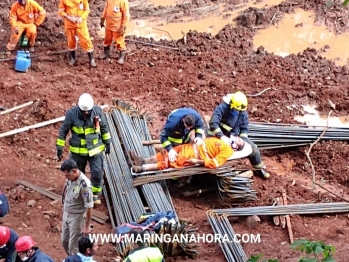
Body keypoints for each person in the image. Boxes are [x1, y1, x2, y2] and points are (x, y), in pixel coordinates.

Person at [56, 93, 111, 204]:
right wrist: (59, 147)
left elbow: (104, 127)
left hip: (95, 150)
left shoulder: (97, 111)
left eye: (88, 111)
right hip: (78, 152)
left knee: (97, 172)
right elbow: (63, 131)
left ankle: (94, 194)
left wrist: (108, 142)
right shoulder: (71, 114)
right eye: (83, 111)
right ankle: (78, 192)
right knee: (77, 174)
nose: (86, 113)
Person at [209, 91, 270, 179]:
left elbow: (244, 129)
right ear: (231, 105)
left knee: (253, 149)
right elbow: (213, 123)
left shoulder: (243, 113)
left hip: (234, 136)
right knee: (215, 151)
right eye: (236, 109)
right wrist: (222, 137)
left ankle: (258, 168)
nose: (237, 111)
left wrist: (241, 141)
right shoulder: (222, 108)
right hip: (218, 135)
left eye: (239, 110)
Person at [130, 136, 250, 173]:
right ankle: (143, 160)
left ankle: (142, 168)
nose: (236, 137)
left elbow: (215, 163)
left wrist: (197, 162)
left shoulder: (227, 151)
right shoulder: (222, 140)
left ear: (236, 147)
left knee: (168, 162)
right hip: (190, 146)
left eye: (239, 140)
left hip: (194, 154)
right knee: (166, 153)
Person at [60, 159, 94, 256]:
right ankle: (72, 258)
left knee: (73, 246)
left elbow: (89, 206)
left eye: (68, 175)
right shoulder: (70, 178)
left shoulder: (84, 185)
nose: (66, 177)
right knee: (64, 241)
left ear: (74, 171)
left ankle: (75, 259)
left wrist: (86, 226)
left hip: (76, 218)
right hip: (67, 213)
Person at [58, 0, 97, 67]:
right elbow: (61, 11)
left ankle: (91, 59)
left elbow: (87, 10)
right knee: (71, 41)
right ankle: (72, 58)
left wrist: (82, 18)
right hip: (69, 23)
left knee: (86, 40)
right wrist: (69, 17)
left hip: (80, 23)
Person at [99, 0, 130, 64]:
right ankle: (106, 53)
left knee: (119, 41)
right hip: (108, 25)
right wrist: (102, 18)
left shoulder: (123, 1)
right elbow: (106, 8)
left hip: (117, 27)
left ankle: (121, 57)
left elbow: (126, 15)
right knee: (107, 40)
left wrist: (123, 26)